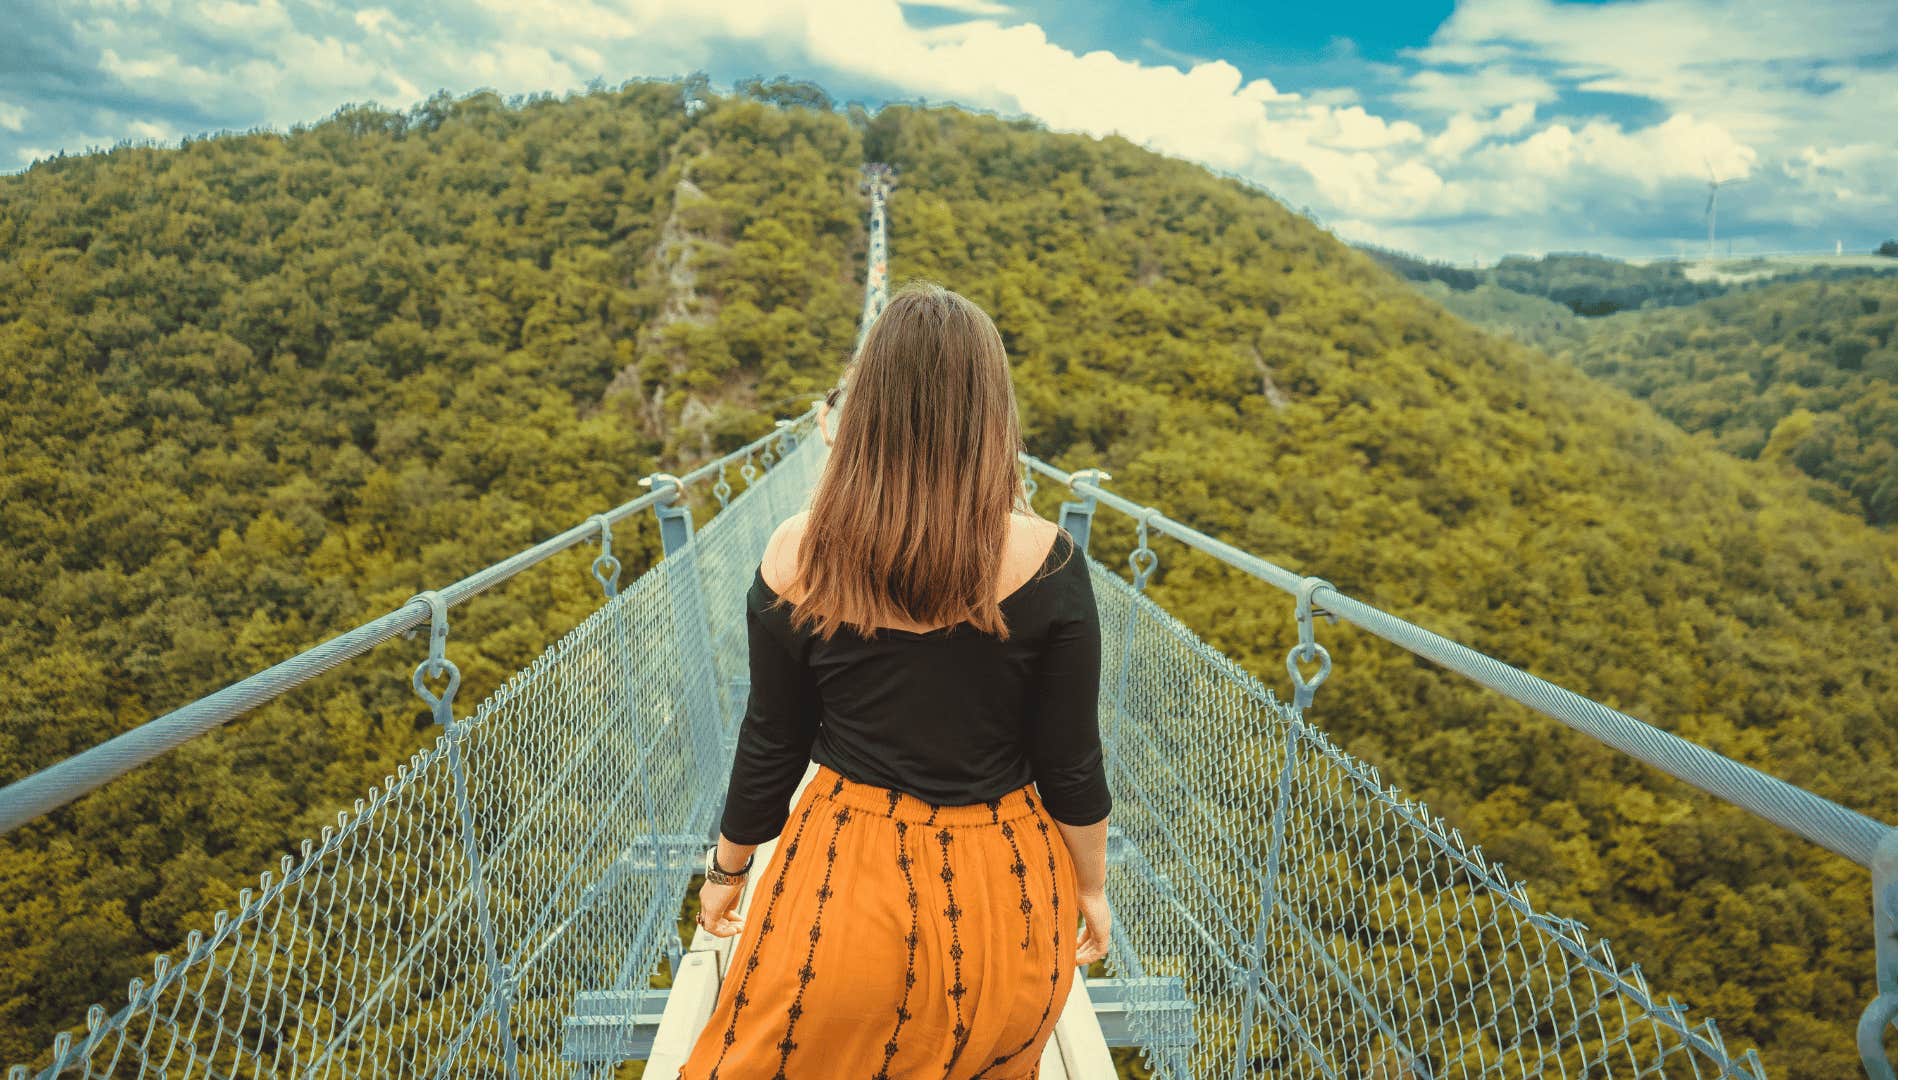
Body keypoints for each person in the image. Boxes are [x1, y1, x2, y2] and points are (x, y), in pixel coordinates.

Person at [676, 281, 1113, 1078]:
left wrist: (728, 872)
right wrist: (1091, 890)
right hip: (1009, 898)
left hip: (843, 890)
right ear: (993, 415)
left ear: (862, 409)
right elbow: (1072, 763)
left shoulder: (794, 554)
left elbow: (772, 741)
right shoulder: (1051, 559)